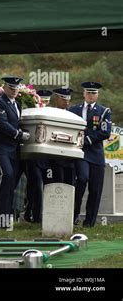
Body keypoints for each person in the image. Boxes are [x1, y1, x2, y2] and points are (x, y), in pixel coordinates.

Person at [69, 82, 111, 227]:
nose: (91, 95)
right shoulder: (74, 110)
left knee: (95, 188)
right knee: (81, 179)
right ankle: (72, 217)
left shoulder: (104, 111)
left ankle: (89, 222)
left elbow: (105, 132)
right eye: (89, 92)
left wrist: (87, 139)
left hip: (96, 154)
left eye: (94, 93)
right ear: (84, 94)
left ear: (97, 95)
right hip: (80, 153)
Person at [0, 77, 30, 217]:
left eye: (16, 88)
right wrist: (19, 134)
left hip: (13, 150)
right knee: (5, 175)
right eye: (11, 88)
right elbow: (2, 124)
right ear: (5, 87)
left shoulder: (16, 104)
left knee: (11, 181)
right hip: (0, 148)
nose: (14, 90)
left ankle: (6, 215)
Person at [23, 89, 54, 223]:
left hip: (47, 158)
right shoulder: (31, 113)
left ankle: (40, 215)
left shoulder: (52, 115)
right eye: (42, 100)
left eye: (47, 101)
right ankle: (34, 215)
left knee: (43, 187)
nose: (44, 103)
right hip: (33, 157)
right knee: (35, 186)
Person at [50, 88, 75, 186]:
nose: (66, 101)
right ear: (56, 98)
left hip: (69, 157)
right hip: (54, 156)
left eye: (68, 99)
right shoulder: (50, 113)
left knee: (70, 185)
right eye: (63, 99)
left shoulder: (73, 114)